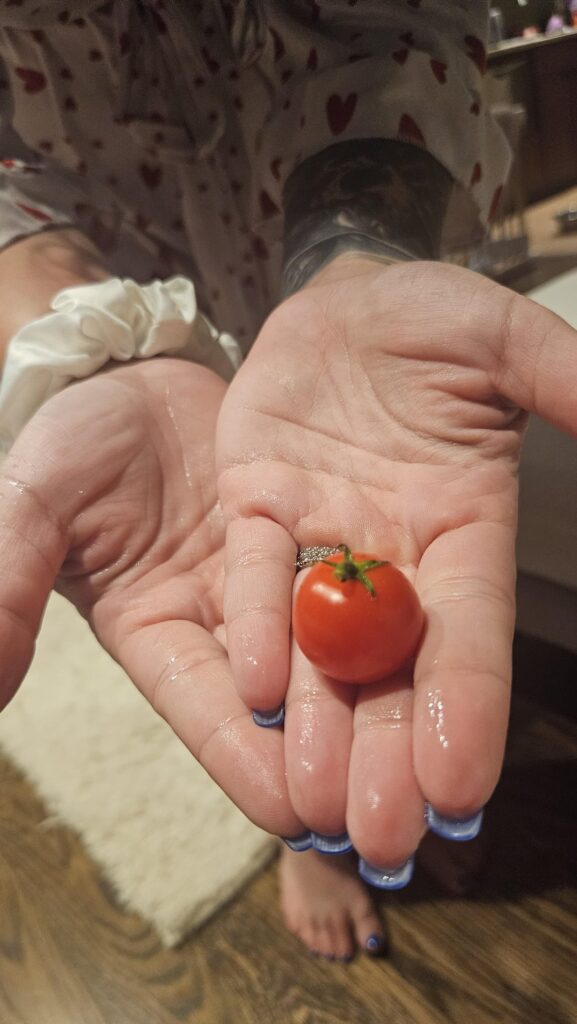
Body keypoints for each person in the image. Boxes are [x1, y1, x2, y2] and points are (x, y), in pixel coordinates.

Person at [0, 0, 576, 963]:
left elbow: (387, 25)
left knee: (365, 486)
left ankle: (350, 804)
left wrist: (355, 262)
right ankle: (311, 833)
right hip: (97, 210)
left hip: (327, 167)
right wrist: (85, 340)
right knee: (210, 560)